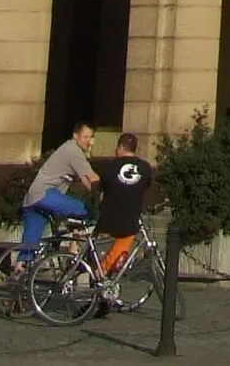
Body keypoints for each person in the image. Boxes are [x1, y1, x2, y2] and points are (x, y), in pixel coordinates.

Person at [94, 132, 155, 309]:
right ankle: (101, 273)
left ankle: (103, 277)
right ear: (135, 149)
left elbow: (101, 191)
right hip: (129, 217)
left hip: (108, 217)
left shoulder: (110, 166)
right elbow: (146, 187)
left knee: (112, 248)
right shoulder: (145, 167)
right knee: (123, 244)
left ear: (120, 148)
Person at [20, 121, 100, 250]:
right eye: (85, 137)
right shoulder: (73, 150)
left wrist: (94, 190)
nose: (89, 141)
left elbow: (86, 181)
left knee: (29, 247)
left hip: (31, 198)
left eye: (91, 137)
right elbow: (91, 178)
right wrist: (109, 192)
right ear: (75, 136)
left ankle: (21, 266)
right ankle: (73, 249)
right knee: (85, 210)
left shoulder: (67, 149)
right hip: (45, 195)